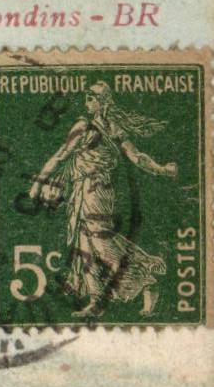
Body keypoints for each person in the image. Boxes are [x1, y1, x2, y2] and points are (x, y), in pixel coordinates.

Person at [28, 82, 178, 318]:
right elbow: (61, 155)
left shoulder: (112, 128)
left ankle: (146, 279)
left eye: (93, 97)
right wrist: (39, 182)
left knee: (100, 244)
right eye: (86, 96)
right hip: (81, 189)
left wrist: (162, 169)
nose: (87, 101)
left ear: (105, 101)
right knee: (84, 245)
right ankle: (96, 303)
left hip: (98, 191)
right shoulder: (82, 126)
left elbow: (136, 157)